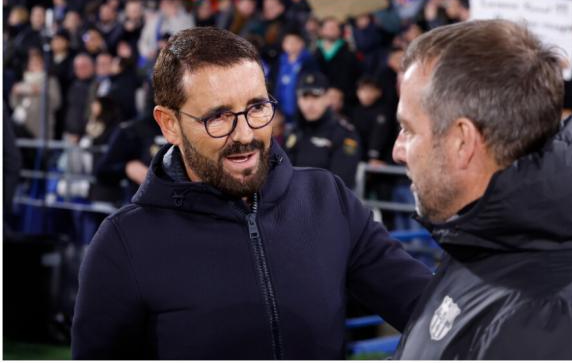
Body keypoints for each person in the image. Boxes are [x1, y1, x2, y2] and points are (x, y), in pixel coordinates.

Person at [72, 27, 431, 359]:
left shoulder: (328, 199)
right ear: (170, 124)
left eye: (257, 108)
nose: (245, 134)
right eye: (219, 116)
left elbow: (432, 311)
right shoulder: (123, 244)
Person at [391, 20, 572, 359]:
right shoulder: (492, 234)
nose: (397, 150)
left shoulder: (553, 318)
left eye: (408, 129)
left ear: (462, 141)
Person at [284, 71, 362, 189]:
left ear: (327, 99)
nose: (310, 104)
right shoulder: (293, 132)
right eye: (305, 97)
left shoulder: (344, 134)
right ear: (298, 100)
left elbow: (341, 185)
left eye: (316, 97)